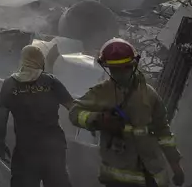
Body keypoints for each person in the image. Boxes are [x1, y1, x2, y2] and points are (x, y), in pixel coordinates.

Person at [69, 38, 185, 187]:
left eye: (125, 67)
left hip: (152, 175)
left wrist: (176, 166)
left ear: (134, 65)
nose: (120, 73)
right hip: (118, 178)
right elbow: (74, 112)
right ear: (107, 68)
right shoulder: (101, 92)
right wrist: (97, 119)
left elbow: (164, 132)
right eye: (114, 69)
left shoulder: (149, 94)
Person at [0, 44, 74, 187]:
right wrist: (91, 123)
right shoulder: (51, 81)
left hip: (26, 150)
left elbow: (1, 119)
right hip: (53, 149)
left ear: (23, 60)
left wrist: (1, 144)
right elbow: (73, 107)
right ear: (40, 60)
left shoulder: (10, 84)